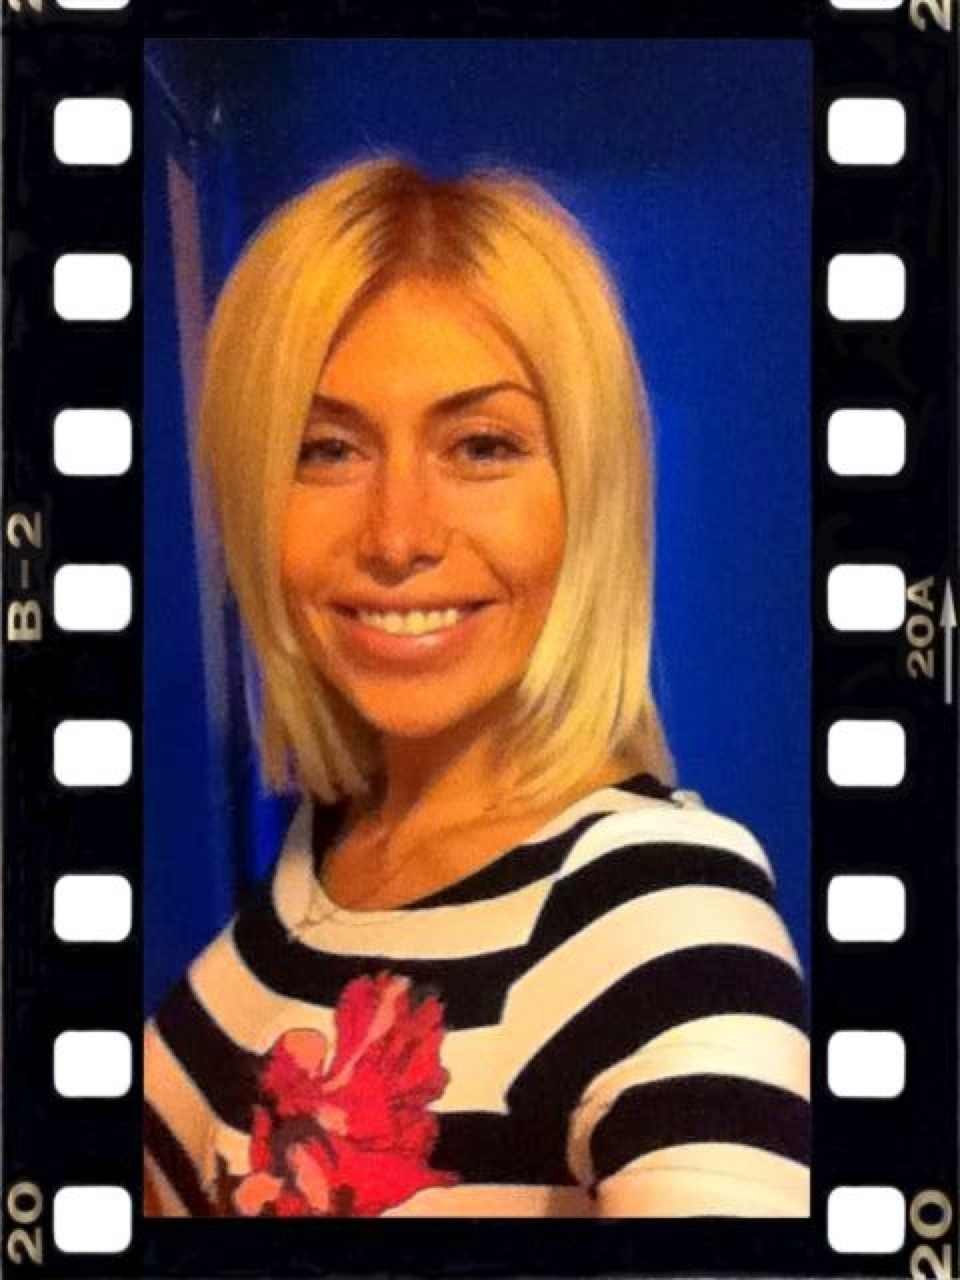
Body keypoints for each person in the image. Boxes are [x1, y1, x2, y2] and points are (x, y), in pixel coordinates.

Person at [144, 156, 809, 1219]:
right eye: (325, 448)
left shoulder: (661, 911)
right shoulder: (332, 848)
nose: (398, 535)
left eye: (482, 445)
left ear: (585, 490)